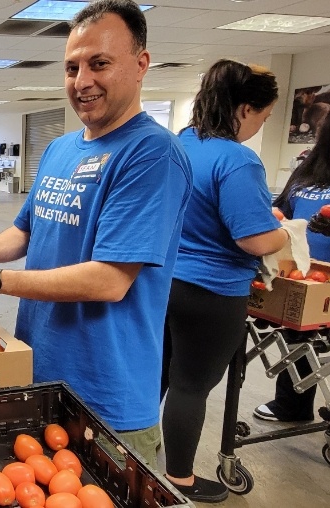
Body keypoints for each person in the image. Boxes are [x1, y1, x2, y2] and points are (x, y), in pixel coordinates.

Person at [0, 0, 192, 468]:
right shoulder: (59, 148)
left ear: (141, 64)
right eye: (72, 67)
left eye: (100, 63)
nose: (82, 80)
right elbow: (25, 232)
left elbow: (108, 281)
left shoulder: (152, 155)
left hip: (109, 396)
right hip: (40, 372)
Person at [159, 59, 288, 503]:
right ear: (246, 108)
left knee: (156, 376)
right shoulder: (237, 160)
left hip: (163, 283)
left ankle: (128, 453)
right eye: (265, 117)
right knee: (190, 385)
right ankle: (180, 478)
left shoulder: (182, 143)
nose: (260, 128)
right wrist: (285, 231)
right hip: (213, 292)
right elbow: (253, 239)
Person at [253, 119, 330, 423]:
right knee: (298, 339)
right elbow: (282, 205)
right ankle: (292, 406)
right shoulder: (308, 168)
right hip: (304, 273)